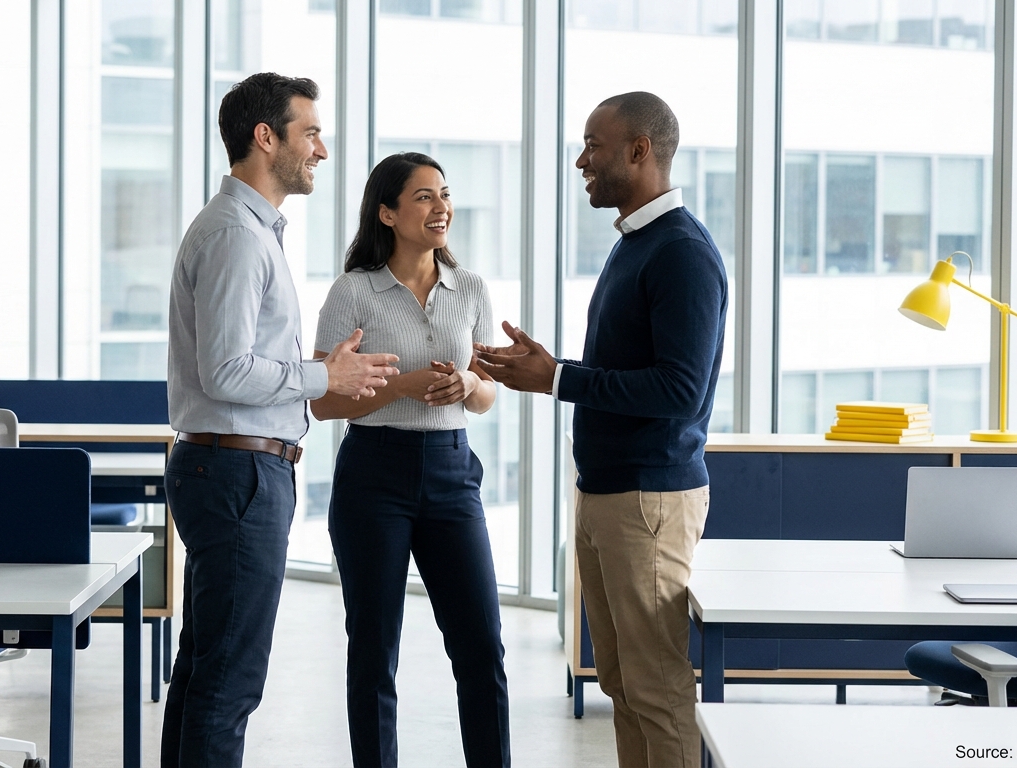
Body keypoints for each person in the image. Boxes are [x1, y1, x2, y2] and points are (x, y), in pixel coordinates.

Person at [476, 92, 727, 768]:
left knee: (656, 689)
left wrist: (556, 378)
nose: (582, 160)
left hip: (648, 500)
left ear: (640, 151)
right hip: (609, 495)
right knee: (622, 683)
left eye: (595, 145)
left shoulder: (682, 253)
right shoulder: (638, 245)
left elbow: (679, 391)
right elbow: (633, 371)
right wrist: (544, 371)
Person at [162, 72, 401, 768]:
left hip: (233, 466)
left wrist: (327, 373)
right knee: (229, 681)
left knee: (207, 667)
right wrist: (328, 376)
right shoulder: (237, 236)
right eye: (310, 133)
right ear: (265, 138)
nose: (321, 150)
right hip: (237, 472)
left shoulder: (247, 230)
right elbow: (227, 372)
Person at [311, 152, 510, 768]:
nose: (441, 206)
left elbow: (486, 394)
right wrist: (403, 384)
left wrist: (466, 388)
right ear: (388, 213)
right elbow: (322, 403)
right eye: (423, 196)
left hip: (453, 470)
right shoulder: (352, 292)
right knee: (373, 652)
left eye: (444, 194)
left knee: (482, 648)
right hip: (374, 473)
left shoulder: (470, 288)